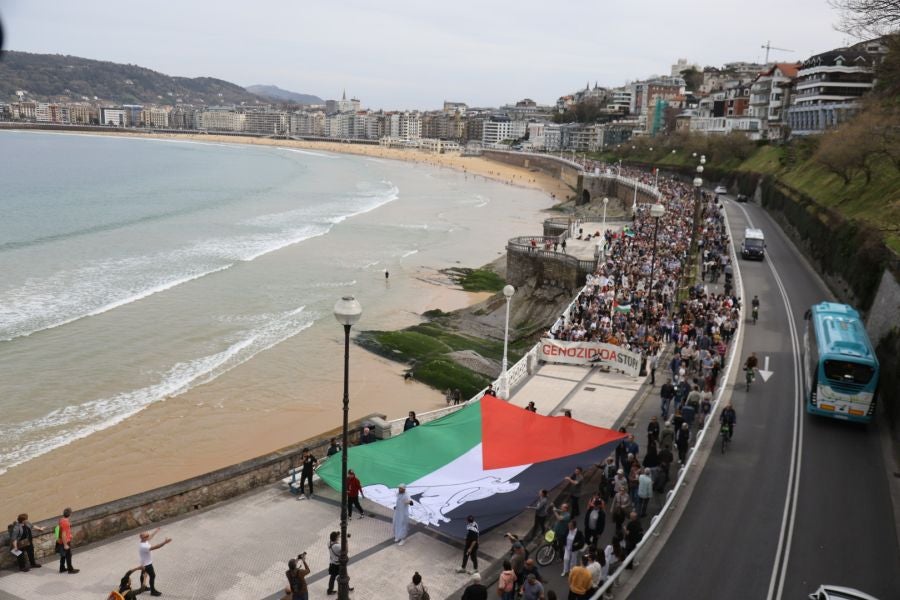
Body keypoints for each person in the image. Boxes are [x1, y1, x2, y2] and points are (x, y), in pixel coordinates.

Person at [138, 528, 172, 597]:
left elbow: (150, 537)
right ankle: (153, 591)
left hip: (143, 562)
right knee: (152, 576)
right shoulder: (143, 546)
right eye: (146, 536)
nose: (148, 536)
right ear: (142, 538)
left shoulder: (143, 541)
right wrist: (164, 542)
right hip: (147, 564)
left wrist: (156, 531)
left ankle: (143, 587)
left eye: (147, 535)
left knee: (143, 574)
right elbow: (156, 547)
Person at [325, 531, 352, 596]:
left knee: (332, 577)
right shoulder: (337, 546)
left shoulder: (329, 542)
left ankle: (329, 590)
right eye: (337, 537)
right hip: (338, 564)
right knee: (344, 576)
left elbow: (335, 539)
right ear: (336, 538)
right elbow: (346, 551)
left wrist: (338, 534)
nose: (338, 537)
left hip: (332, 563)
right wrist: (346, 540)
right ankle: (347, 588)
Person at [57, 507, 79, 574]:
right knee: (68, 555)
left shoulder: (61, 520)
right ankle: (70, 570)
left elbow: (62, 531)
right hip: (65, 541)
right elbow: (63, 534)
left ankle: (62, 568)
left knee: (63, 555)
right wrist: (65, 544)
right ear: (70, 514)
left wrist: (69, 535)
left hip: (61, 540)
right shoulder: (66, 522)